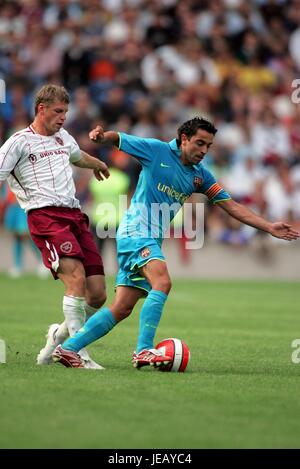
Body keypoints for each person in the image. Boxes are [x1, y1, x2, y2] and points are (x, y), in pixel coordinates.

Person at [52, 116, 300, 369]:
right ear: (184, 139)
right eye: (199, 143)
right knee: (163, 282)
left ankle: (68, 349)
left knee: (123, 307)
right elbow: (119, 139)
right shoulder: (156, 150)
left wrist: (269, 226)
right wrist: (101, 137)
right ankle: (144, 350)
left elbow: (231, 206)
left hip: (145, 237)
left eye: (208, 146)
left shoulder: (200, 176)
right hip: (136, 230)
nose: (204, 151)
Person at [0, 84, 110, 369]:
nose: (63, 117)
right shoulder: (18, 142)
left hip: (74, 215)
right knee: (75, 278)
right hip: (45, 216)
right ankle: (76, 353)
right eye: (58, 111)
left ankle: (56, 338)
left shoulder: (63, 138)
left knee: (97, 294)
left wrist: (96, 162)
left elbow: (78, 157)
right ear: (41, 109)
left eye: (66, 112)